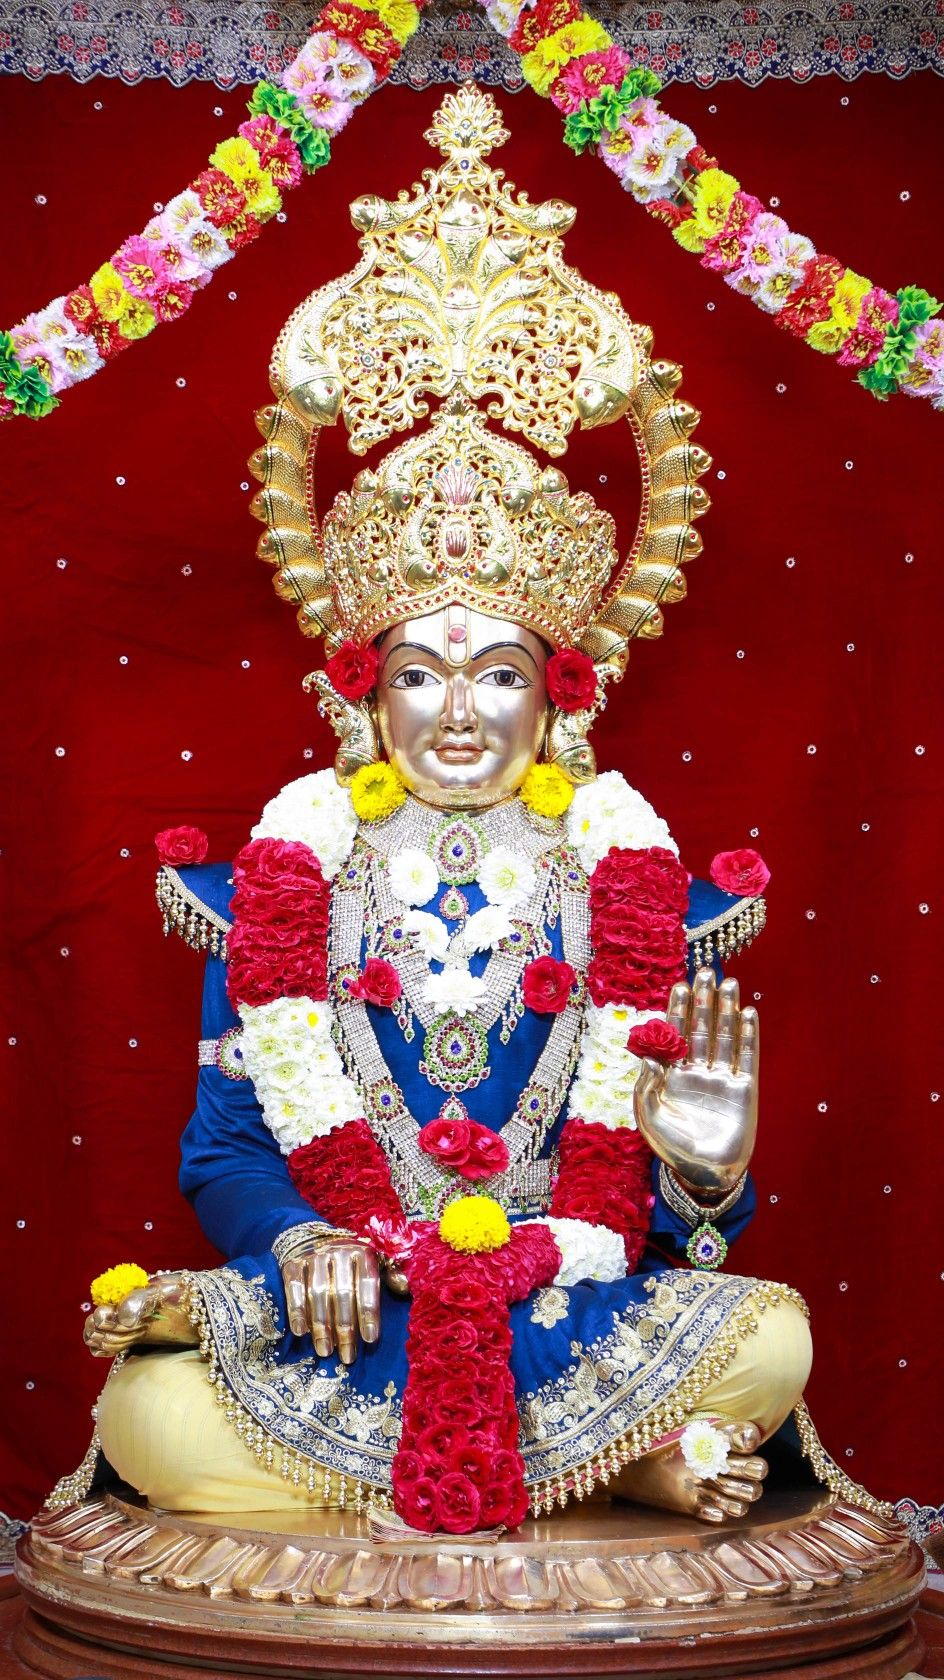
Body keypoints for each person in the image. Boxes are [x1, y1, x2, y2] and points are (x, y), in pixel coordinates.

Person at [71, 87, 871, 1536]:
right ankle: (613, 1464)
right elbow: (224, 1150)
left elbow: (676, 1243)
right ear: (364, 697)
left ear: (558, 690)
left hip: (567, 1304)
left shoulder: (637, 889)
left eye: (497, 674)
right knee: (149, 1410)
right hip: (350, 1305)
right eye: (421, 675)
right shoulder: (275, 889)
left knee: (773, 1334)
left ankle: (561, 1451)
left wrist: (709, 1174)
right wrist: (305, 1233)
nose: (456, 712)